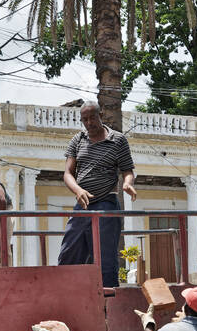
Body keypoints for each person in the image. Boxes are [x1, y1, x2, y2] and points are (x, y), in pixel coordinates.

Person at [56, 103, 137, 286]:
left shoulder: (118, 140)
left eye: (92, 118)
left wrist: (127, 183)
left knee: (104, 258)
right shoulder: (78, 140)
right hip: (82, 204)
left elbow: (127, 170)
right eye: (85, 119)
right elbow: (68, 173)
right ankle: (66, 294)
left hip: (106, 203)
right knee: (69, 252)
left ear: (101, 115)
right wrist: (78, 190)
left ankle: (107, 304)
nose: (89, 122)